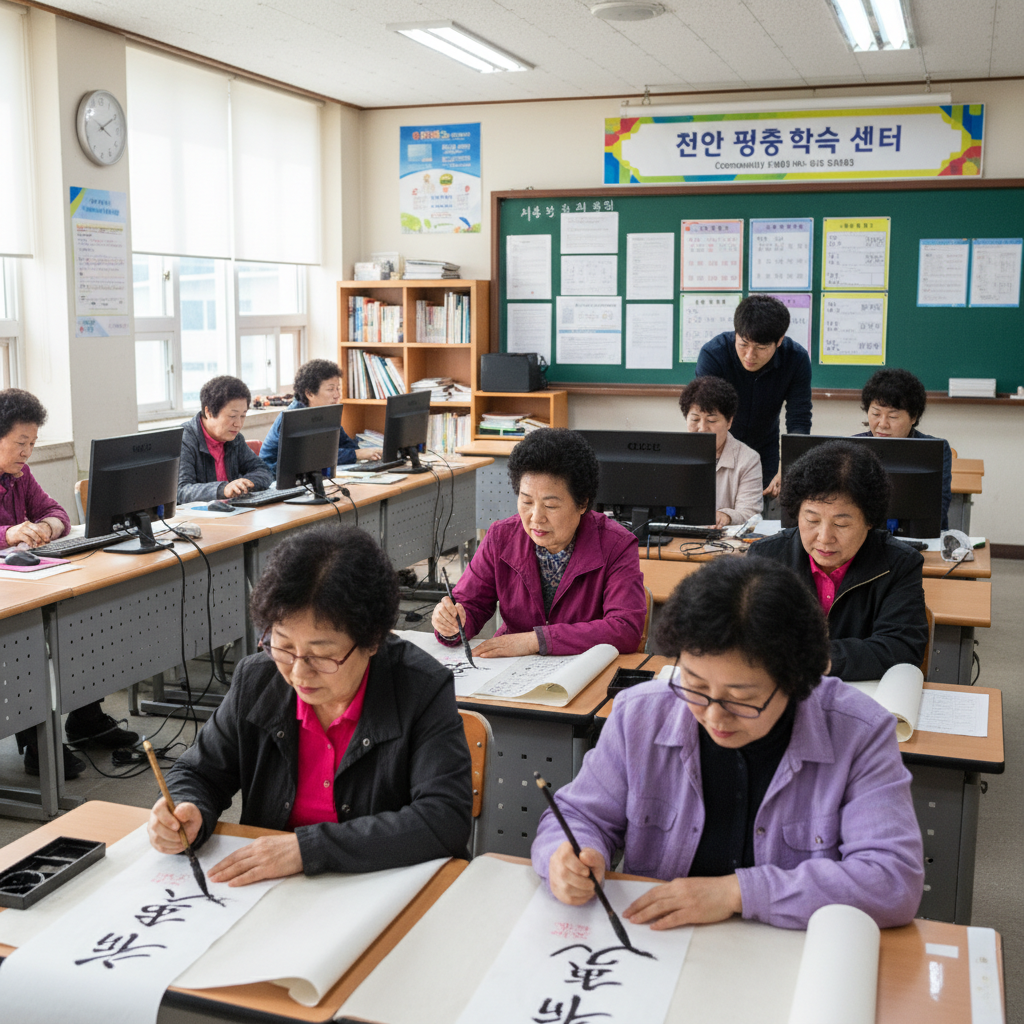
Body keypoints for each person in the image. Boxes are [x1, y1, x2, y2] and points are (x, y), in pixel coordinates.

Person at [532, 556, 924, 931]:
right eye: (695, 686)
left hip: (789, 954)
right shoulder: (639, 715)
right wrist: (567, 855)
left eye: (741, 699)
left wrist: (737, 893)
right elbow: (579, 816)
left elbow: (892, 879)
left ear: (797, 681)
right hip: (660, 946)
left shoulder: (859, 733)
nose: (714, 717)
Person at [147, 524, 472, 884]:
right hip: (276, 891)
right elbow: (198, 773)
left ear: (373, 641)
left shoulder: (420, 688)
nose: (299, 673)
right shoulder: (258, 680)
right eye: (283, 646)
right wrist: (188, 808)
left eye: (322, 655)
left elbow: (444, 818)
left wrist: (308, 849)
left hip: (379, 888)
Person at [0, 389, 137, 779]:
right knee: (23, 636)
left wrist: (45, 526)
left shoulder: (19, 476)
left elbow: (55, 510)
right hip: (8, 598)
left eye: (32, 443)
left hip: (22, 579)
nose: (27, 452)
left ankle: (86, 719)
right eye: (21, 442)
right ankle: (37, 744)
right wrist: (8, 534)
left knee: (83, 614)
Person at [430, 428, 646, 658]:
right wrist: (452, 623)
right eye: (526, 502)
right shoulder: (501, 537)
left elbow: (625, 628)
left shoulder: (616, 545)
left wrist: (537, 640)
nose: (536, 517)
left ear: (582, 503)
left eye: (550, 506)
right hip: (514, 666)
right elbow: (470, 605)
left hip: (582, 667)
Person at [748, 439, 928, 681]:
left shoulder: (898, 564)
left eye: (841, 524)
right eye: (812, 520)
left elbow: (901, 647)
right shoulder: (766, 557)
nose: (824, 537)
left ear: (870, 521)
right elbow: (746, 637)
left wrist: (813, 658)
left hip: (862, 695)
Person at [696, 294, 812, 498]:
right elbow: (707, 415)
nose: (750, 355)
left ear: (779, 341)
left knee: (761, 509)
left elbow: (799, 419)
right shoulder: (714, 355)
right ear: (736, 333)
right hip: (718, 446)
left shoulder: (796, 359)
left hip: (764, 449)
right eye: (743, 344)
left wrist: (789, 467)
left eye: (761, 348)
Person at [854, 367, 953, 531]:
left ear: (913, 417)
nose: (882, 424)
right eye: (876, 414)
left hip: (918, 536)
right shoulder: (853, 448)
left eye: (893, 416)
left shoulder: (934, 450)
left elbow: (938, 508)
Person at [259, 358, 381, 475]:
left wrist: (359, 452)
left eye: (338, 388)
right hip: (275, 480)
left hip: (310, 477)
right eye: (331, 389)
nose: (337, 395)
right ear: (310, 393)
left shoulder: (327, 412)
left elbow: (348, 445)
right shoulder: (294, 418)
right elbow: (311, 457)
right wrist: (356, 454)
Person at [678, 376, 762, 527]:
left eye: (711, 420)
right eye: (695, 419)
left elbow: (750, 513)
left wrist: (726, 516)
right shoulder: (674, 453)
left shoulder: (748, 459)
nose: (702, 428)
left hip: (724, 539)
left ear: (729, 422)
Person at [177, 375, 272, 504]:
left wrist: (244, 484)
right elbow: (181, 490)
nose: (238, 424)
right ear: (208, 412)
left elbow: (263, 470)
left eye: (243, 416)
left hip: (233, 511)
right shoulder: (183, 439)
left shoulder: (234, 438)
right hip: (199, 515)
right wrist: (223, 489)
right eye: (232, 416)